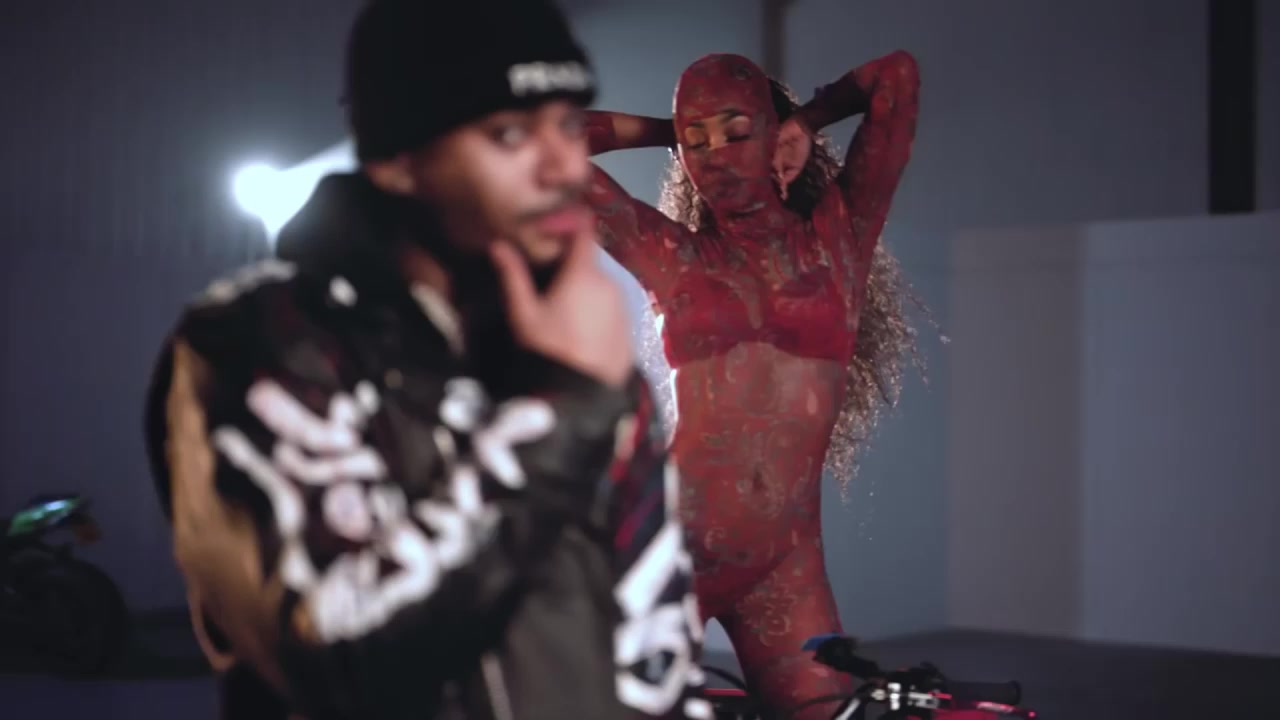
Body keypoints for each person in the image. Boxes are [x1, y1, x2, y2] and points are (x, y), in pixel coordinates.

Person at [142, 2, 707, 719]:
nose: (565, 165)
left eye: (568, 123)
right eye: (509, 133)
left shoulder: (575, 357)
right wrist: (559, 419)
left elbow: (659, 655)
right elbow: (334, 660)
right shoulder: (260, 339)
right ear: (398, 160)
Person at [583, 50, 922, 718]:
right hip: (671, 550)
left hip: (786, 568)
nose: (714, 156)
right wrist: (666, 132)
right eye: (696, 141)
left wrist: (809, 119)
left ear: (773, 133)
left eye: (735, 131)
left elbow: (897, 78)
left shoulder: (839, 239)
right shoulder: (674, 257)